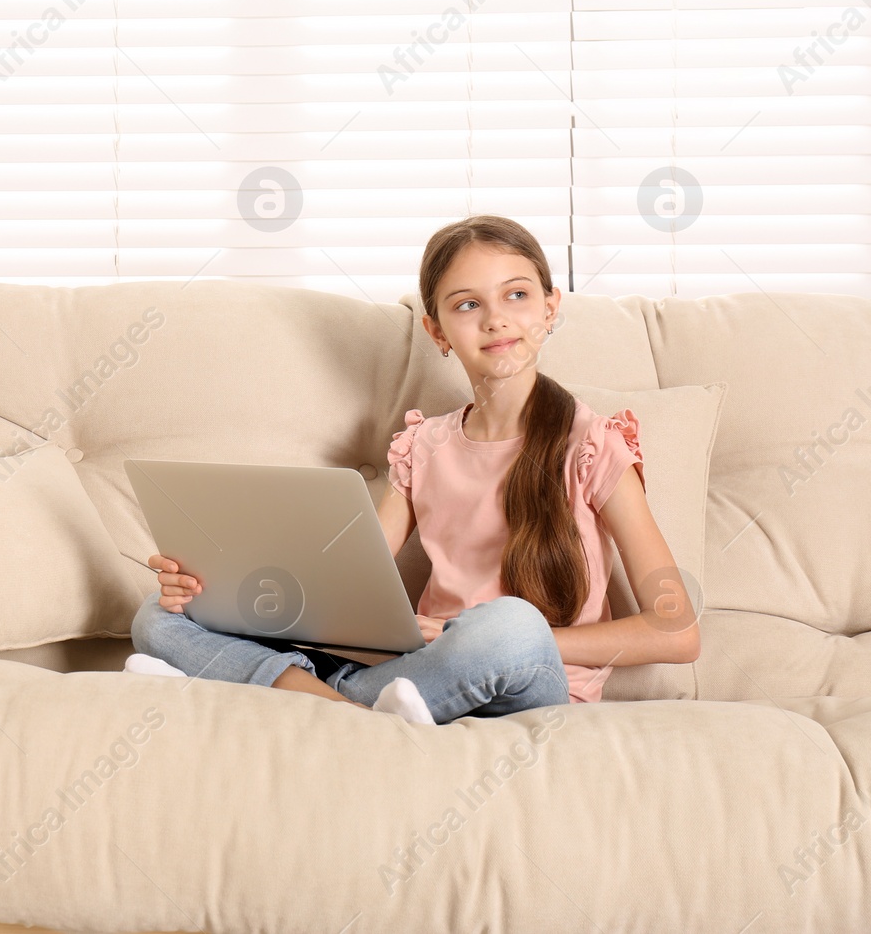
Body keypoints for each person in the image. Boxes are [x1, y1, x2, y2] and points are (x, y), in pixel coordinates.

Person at [128, 214, 701, 724]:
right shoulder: (423, 447)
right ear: (437, 331)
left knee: (511, 625)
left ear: (551, 308)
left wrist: (469, 634)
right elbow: (348, 599)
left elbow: (677, 631)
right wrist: (209, 588)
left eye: (517, 295)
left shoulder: (594, 446)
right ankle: (352, 711)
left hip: (519, 677)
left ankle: (311, 701)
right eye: (468, 304)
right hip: (411, 675)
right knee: (157, 617)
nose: (497, 320)